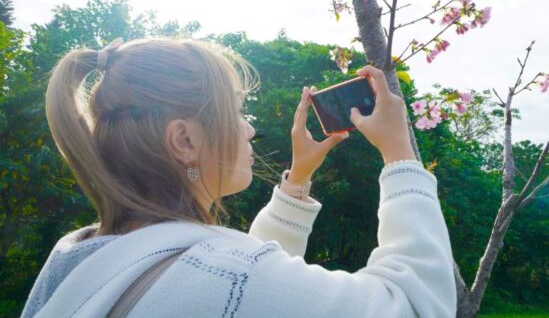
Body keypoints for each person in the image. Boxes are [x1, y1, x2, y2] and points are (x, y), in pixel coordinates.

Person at [20, 37, 456, 317]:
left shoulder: (79, 254)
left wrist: (299, 175)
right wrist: (399, 155)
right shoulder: (226, 277)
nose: (249, 128)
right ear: (184, 140)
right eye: (235, 111)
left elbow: (248, 279)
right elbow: (416, 305)